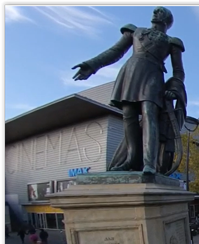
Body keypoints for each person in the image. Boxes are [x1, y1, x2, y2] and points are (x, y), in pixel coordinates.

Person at [73, 7, 187, 175]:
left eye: (160, 11)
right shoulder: (135, 31)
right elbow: (115, 51)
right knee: (129, 116)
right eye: (155, 10)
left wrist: (174, 89)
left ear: (167, 20)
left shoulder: (172, 42)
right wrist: (92, 64)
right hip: (131, 73)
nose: (155, 12)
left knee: (149, 113)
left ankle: (150, 163)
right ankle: (131, 159)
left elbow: (179, 71)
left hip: (153, 76)